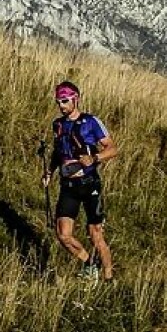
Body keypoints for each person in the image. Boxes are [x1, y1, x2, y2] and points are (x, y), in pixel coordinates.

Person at [42, 80, 117, 281]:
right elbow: (58, 153)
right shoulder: (57, 124)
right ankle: (89, 264)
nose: (61, 105)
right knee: (63, 234)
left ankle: (109, 276)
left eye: (65, 101)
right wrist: (49, 172)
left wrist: (94, 158)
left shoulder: (91, 122)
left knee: (95, 234)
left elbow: (112, 148)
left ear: (76, 99)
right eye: (58, 102)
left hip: (89, 183)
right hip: (68, 186)